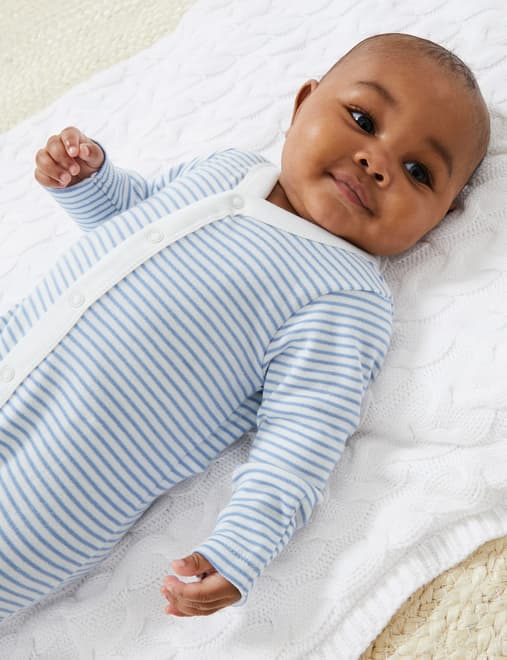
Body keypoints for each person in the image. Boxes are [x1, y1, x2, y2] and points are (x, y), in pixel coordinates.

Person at [0, 33, 489, 621]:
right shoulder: (228, 168)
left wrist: (242, 545)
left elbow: (302, 437)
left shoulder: (344, 296)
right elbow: (136, 214)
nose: (376, 161)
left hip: (53, 483)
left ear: (441, 217)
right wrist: (89, 182)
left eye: (418, 171)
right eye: (363, 119)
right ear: (302, 104)